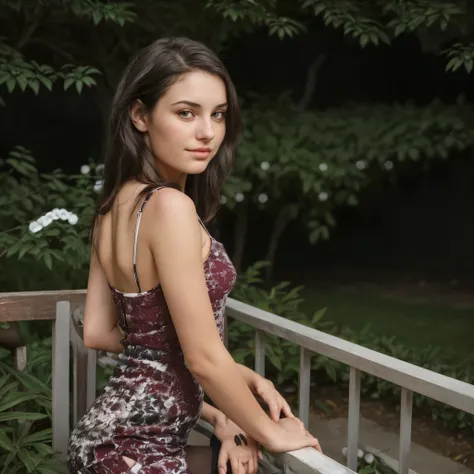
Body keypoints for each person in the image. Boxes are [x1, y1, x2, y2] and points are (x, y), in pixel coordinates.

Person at [67, 36, 321, 474]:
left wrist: (229, 401)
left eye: (218, 114)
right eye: (186, 113)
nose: (207, 132)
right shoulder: (169, 207)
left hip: (99, 443)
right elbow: (201, 356)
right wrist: (267, 431)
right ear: (140, 115)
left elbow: (99, 332)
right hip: (137, 453)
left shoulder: (110, 208)